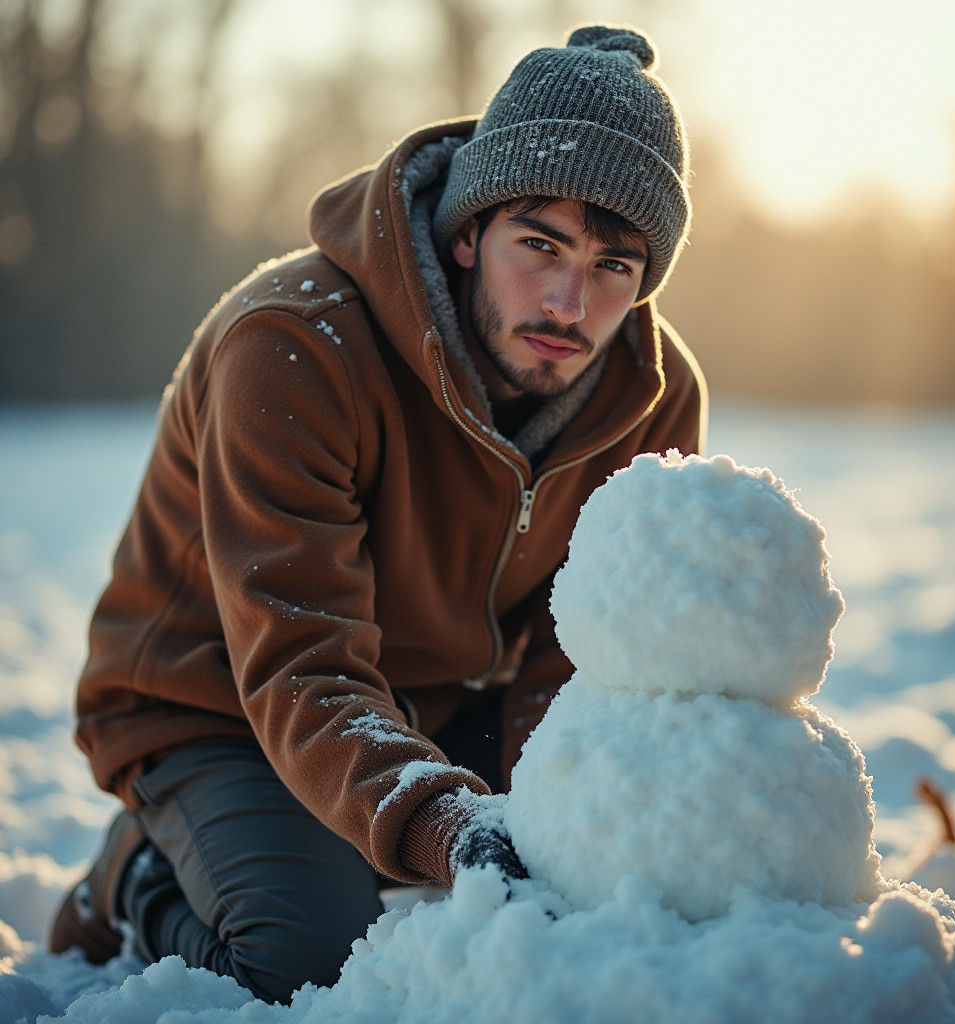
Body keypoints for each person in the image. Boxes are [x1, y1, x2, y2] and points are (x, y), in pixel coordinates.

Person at [49, 23, 706, 1002]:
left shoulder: (650, 397)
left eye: (614, 266)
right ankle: (134, 880)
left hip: (440, 702)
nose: (570, 301)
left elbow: (588, 650)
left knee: (645, 876)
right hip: (219, 702)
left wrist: (554, 822)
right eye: (540, 244)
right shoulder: (293, 346)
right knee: (305, 961)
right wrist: (451, 827)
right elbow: (298, 661)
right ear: (467, 230)